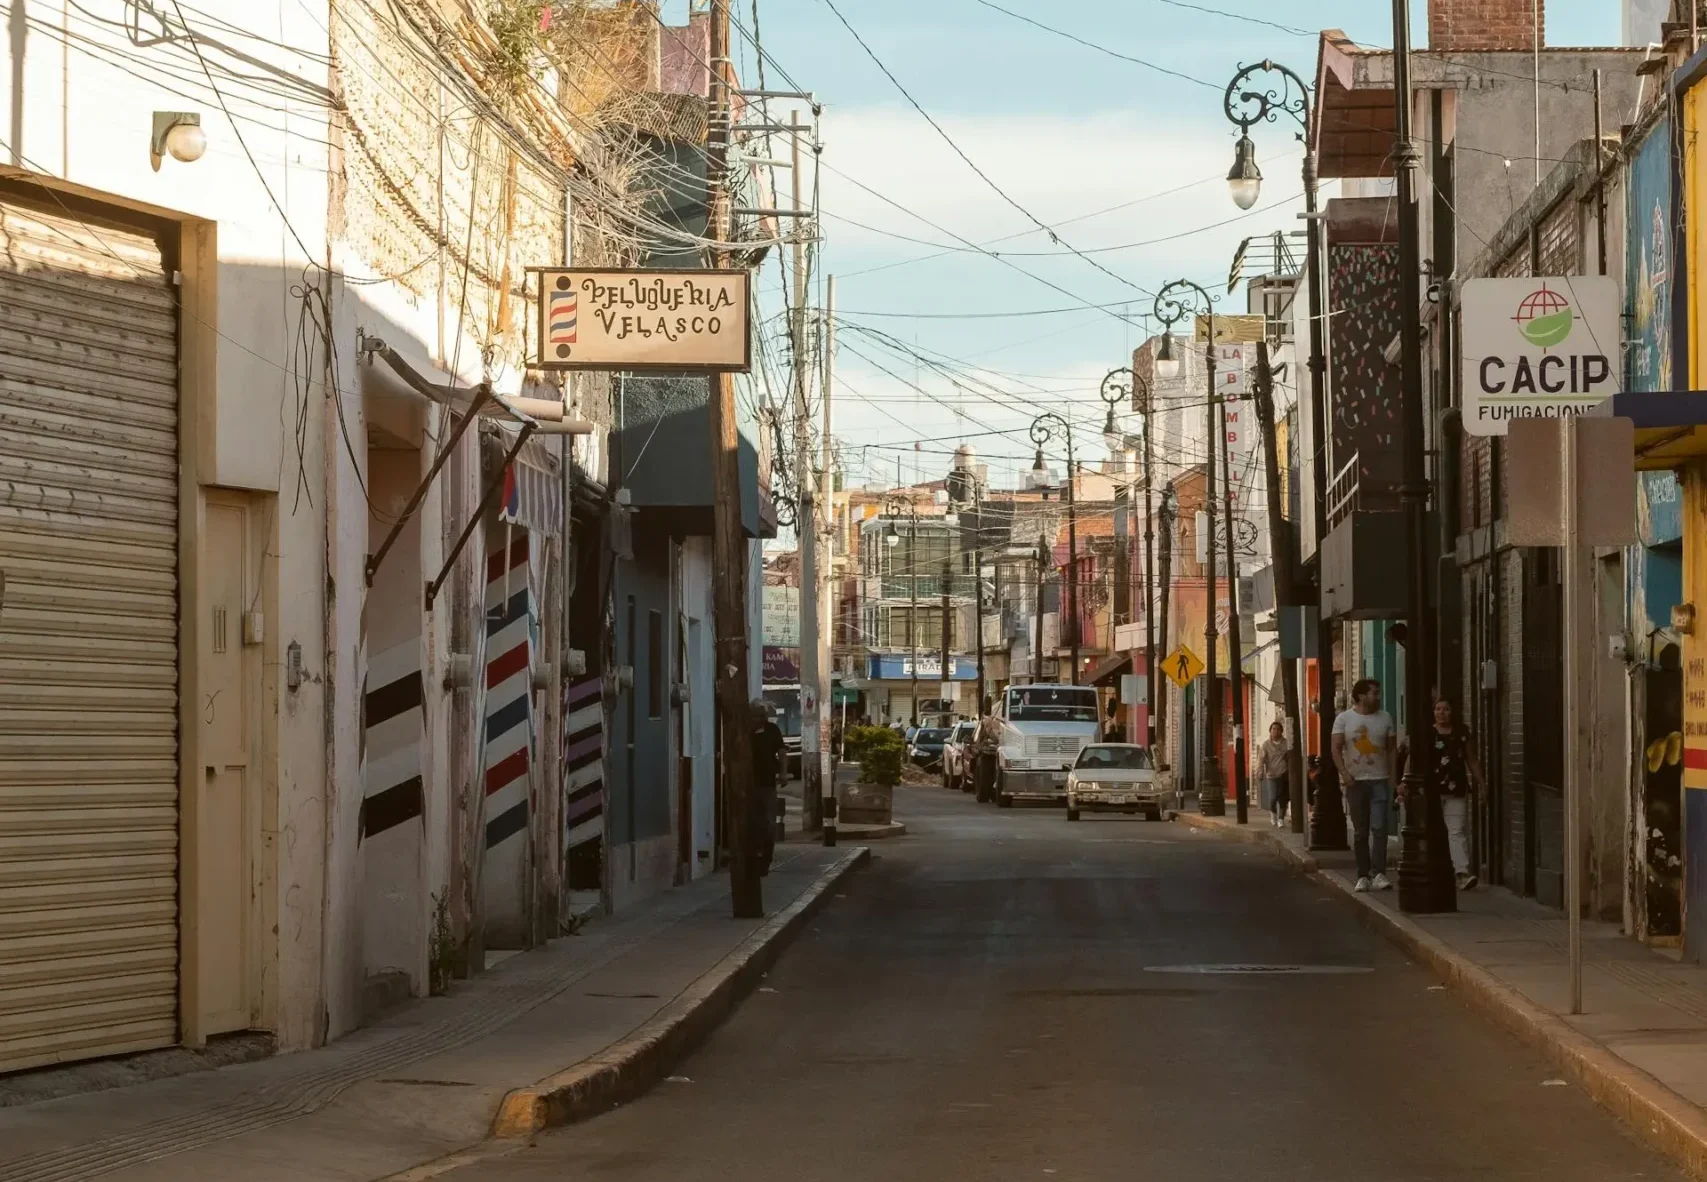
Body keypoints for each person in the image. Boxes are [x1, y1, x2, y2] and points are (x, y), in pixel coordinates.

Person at [1332, 678, 1396, 893]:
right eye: (1374, 693)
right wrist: (1344, 774)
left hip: (1379, 779)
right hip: (1355, 782)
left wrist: (1394, 779)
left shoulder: (1385, 717)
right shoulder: (1344, 719)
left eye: (1378, 693)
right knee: (1360, 831)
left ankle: (1379, 873)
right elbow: (1335, 748)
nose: (1378, 696)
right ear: (1361, 696)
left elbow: (1392, 750)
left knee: (1379, 828)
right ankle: (1363, 875)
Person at [1424, 697, 1484, 890]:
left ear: (1452, 712)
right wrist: (1403, 782)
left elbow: (1471, 759)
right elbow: (1413, 758)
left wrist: (1482, 783)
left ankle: (1462, 873)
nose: (1442, 713)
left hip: (1456, 788)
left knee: (1456, 830)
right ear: (1433, 712)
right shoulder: (1427, 734)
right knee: (1432, 832)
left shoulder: (1461, 733)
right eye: (1438, 709)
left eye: (1446, 709)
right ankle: (1434, 871)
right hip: (1431, 789)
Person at [748, 699, 785, 875]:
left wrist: (783, 773)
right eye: (757, 716)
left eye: (763, 716)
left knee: (769, 824)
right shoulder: (745, 731)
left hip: (767, 784)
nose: (760, 719)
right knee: (752, 823)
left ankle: (765, 859)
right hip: (748, 785)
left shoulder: (772, 730)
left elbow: (781, 751)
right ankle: (752, 857)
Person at [1255, 720, 1290, 827]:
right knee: (1273, 798)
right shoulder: (1266, 745)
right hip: (1271, 775)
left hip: (1284, 775)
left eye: (1278, 729)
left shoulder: (1286, 743)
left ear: (1281, 731)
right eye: (1273, 729)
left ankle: (1281, 819)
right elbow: (1261, 760)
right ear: (1270, 731)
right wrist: (1260, 771)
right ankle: (1273, 815)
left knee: (1283, 798)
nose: (1276, 731)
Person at [972, 695, 1000, 804]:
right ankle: (987, 792)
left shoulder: (990, 718)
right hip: (990, 750)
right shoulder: (993, 715)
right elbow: (988, 732)